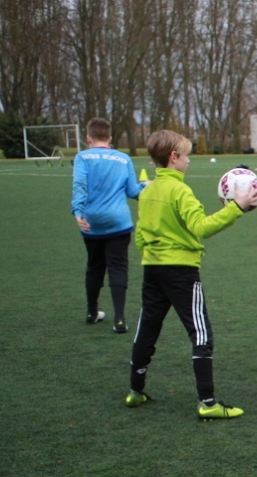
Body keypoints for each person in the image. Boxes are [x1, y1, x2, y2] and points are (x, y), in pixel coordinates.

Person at [125, 129, 256, 418]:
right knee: (200, 332)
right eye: (186, 155)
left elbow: (141, 235)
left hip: (152, 270)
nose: (188, 160)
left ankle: (135, 391)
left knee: (147, 328)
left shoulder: (147, 191)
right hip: (182, 272)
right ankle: (208, 403)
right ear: (174, 157)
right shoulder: (180, 190)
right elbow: (201, 227)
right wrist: (237, 207)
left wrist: (152, 256)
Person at [71, 117, 143, 331]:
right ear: (110, 138)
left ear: (88, 138)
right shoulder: (123, 158)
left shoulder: (82, 157)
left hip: (92, 221)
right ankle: (119, 319)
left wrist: (77, 211)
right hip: (119, 221)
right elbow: (133, 191)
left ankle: (92, 312)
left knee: (94, 266)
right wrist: (147, 186)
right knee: (118, 267)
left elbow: (79, 184)